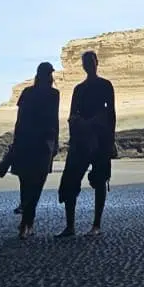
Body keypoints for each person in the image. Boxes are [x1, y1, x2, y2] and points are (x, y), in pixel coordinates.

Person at [0, 61, 60, 239]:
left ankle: (26, 223)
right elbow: (53, 121)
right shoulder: (53, 94)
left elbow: (20, 121)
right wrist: (55, 143)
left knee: (27, 184)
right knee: (36, 184)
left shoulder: (28, 93)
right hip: (43, 144)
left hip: (27, 142)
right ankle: (27, 223)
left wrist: (16, 143)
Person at [57, 50, 116, 237]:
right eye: (86, 61)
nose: (89, 64)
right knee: (70, 181)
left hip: (100, 139)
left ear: (97, 62)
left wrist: (110, 139)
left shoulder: (106, 85)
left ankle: (96, 225)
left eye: (91, 60)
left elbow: (111, 114)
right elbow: (72, 115)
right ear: (83, 65)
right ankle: (70, 226)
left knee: (100, 181)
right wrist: (80, 127)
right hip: (81, 140)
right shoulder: (78, 89)